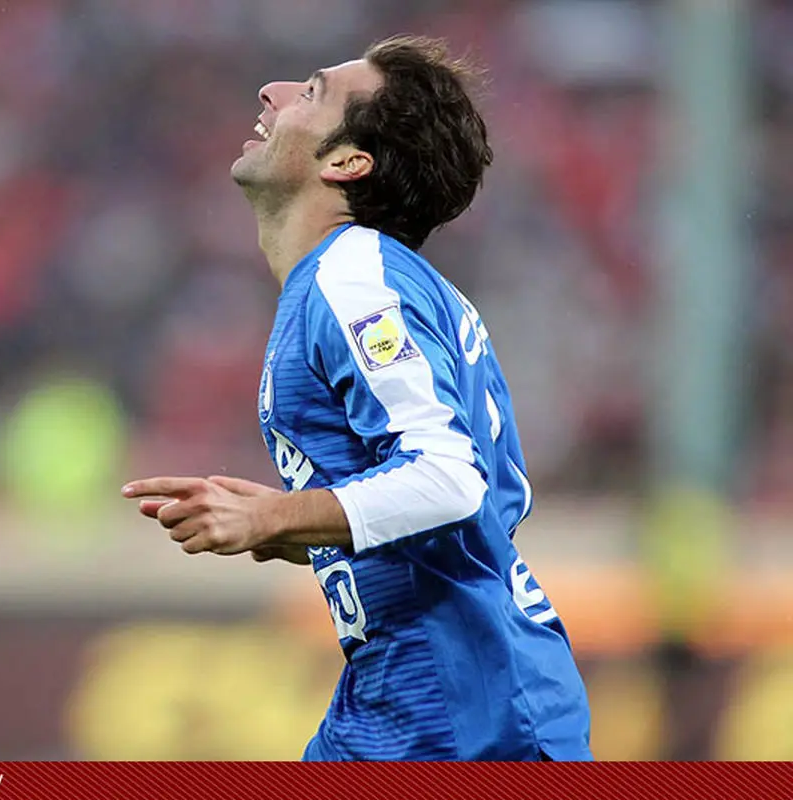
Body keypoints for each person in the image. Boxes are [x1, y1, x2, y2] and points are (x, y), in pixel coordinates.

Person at [121, 35, 592, 761]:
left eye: (310, 93)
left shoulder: (356, 276)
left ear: (346, 162)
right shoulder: (365, 281)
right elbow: (451, 517)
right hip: (406, 701)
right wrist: (304, 530)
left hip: (467, 720)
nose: (272, 92)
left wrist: (273, 514)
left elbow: (450, 482)